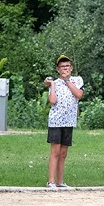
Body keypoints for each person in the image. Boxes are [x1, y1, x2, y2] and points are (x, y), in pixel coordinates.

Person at [43, 55, 84, 189]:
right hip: (56, 121)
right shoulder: (54, 83)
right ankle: (51, 181)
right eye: (62, 67)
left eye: (67, 66)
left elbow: (78, 95)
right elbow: (52, 101)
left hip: (69, 121)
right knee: (55, 151)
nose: (65, 69)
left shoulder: (77, 80)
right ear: (58, 69)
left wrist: (67, 81)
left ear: (71, 68)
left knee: (63, 153)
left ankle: (60, 181)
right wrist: (53, 85)